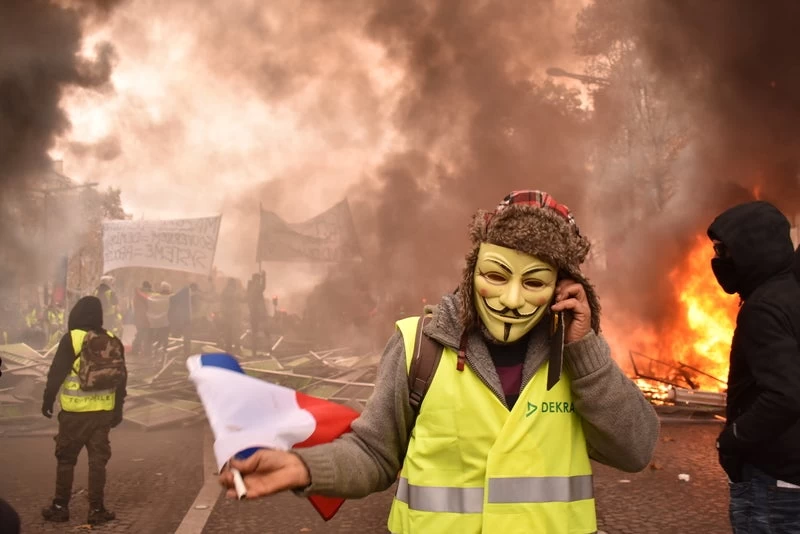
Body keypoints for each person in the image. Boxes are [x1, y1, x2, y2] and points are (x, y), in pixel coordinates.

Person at [219, 190, 660, 533]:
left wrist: (586, 352)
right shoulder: (418, 345)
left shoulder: (577, 357)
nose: (511, 299)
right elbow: (374, 452)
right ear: (471, 272)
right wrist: (303, 467)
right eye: (496, 275)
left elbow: (636, 450)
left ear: (564, 288)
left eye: (534, 282)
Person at [707, 200, 800, 533]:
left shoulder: (764, 308)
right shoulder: (791, 293)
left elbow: (786, 395)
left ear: (751, 248)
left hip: (772, 480)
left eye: (723, 251)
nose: (717, 261)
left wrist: (732, 439)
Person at [40, 296, 127, 526]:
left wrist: (48, 400)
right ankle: (97, 509)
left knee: (66, 459)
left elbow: (56, 373)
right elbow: (122, 380)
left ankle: (60, 507)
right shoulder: (111, 339)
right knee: (98, 461)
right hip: (103, 414)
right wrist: (118, 410)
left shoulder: (72, 339)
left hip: (74, 414)